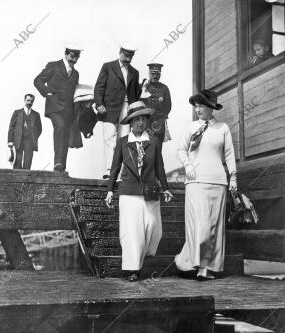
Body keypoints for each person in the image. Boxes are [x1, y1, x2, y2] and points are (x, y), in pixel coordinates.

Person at [105, 101, 173, 281]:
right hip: (128, 192)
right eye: (136, 120)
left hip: (150, 191)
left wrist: (165, 188)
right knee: (132, 232)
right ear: (130, 122)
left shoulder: (154, 141)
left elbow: (160, 168)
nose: (140, 123)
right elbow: (114, 168)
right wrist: (110, 190)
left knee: (153, 228)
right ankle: (132, 269)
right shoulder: (122, 142)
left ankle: (143, 259)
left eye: (143, 119)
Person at [174, 89, 237, 280]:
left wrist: (233, 178)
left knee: (213, 227)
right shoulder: (191, 127)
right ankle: (189, 261)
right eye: (196, 105)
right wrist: (188, 165)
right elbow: (181, 149)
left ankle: (206, 268)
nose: (197, 108)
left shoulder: (223, 128)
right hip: (195, 182)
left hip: (217, 181)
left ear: (211, 108)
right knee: (199, 227)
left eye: (201, 105)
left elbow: (229, 155)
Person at [94, 43, 141, 179]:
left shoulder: (134, 72)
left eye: (131, 56)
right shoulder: (108, 67)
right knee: (109, 138)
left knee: (124, 140)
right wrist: (99, 104)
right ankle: (109, 170)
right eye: (126, 55)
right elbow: (99, 87)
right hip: (110, 108)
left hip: (127, 108)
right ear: (120, 52)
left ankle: (121, 173)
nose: (128, 59)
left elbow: (135, 94)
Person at [34, 43, 83, 172]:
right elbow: (38, 80)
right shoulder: (54, 66)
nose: (74, 59)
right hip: (54, 107)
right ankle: (58, 162)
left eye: (77, 57)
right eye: (72, 56)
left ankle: (61, 167)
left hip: (68, 110)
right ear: (66, 54)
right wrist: (47, 93)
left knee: (66, 135)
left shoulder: (76, 73)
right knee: (60, 126)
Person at [140, 63, 171, 151]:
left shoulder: (164, 88)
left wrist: (160, 117)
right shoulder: (143, 86)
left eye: (157, 74)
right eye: (152, 73)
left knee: (157, 148)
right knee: (144, 149)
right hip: (144, 123)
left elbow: (168, 106)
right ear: (149, 73)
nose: (155, 76)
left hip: (158, 124)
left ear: (160, 74)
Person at [7, 94, 42, 169]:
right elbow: (11, 127)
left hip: (30, 141)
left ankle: (25, 180)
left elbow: (39, 129)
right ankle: (17, 179)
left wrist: (34, 137)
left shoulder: (36, 115)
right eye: (28, 100)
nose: (29, 102)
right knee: (17, 161)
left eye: (31, 101)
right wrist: (10, 141)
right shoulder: (17, 112)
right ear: (24, 100)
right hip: (18, 140)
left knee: (28, 161)